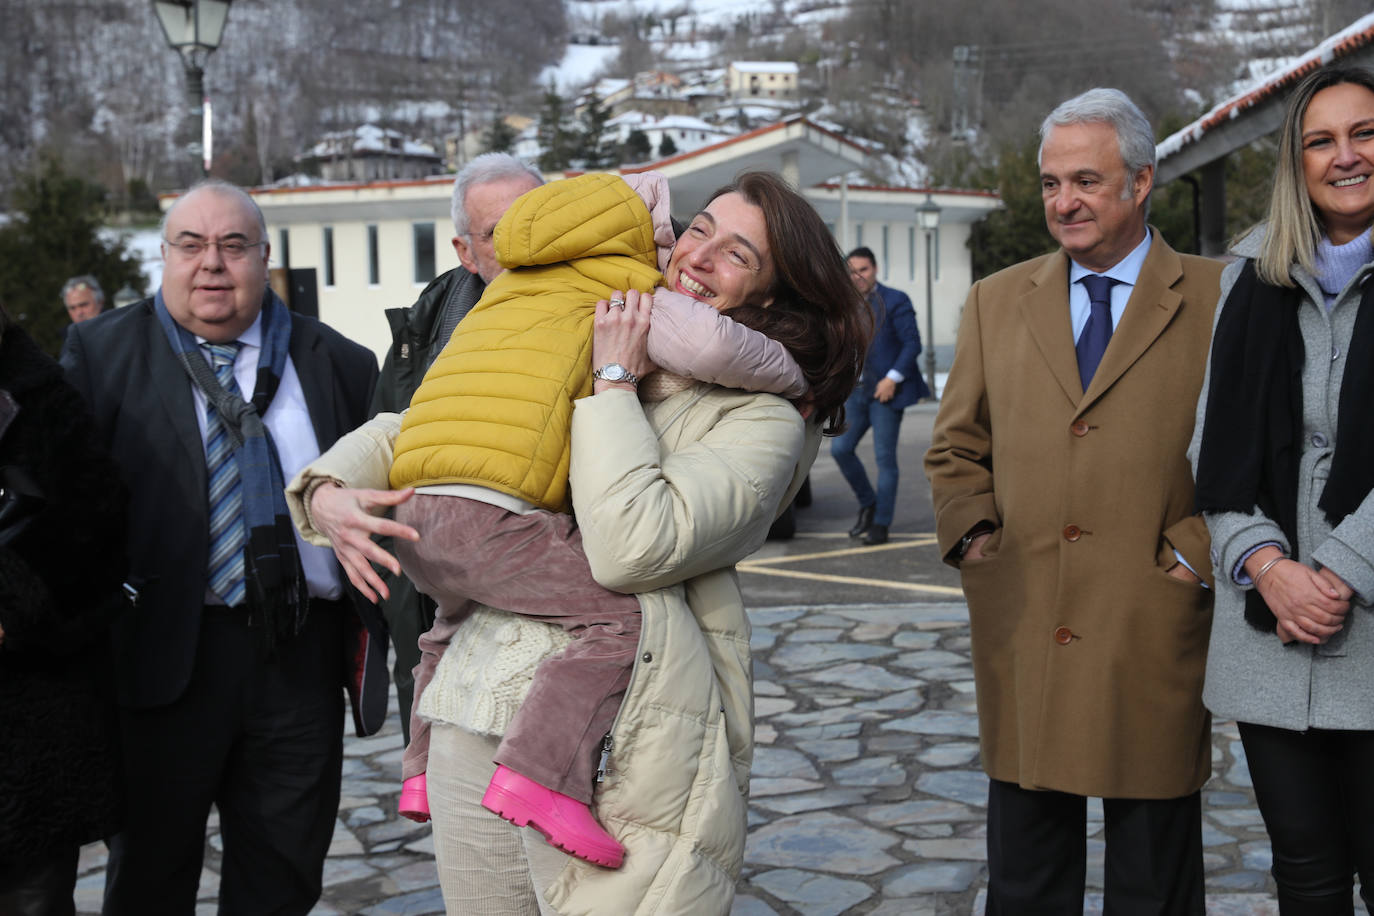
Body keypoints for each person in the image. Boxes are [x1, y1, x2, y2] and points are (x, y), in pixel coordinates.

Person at [290, 170, 871, 913]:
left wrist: (615, 382)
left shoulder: (761, 417)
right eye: (699, 229)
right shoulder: (593, 320)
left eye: (739, 255)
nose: (700, 255)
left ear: (774, 295)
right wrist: (328, 490)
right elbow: (429, 425)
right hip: (471, 710)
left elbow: (631, 546)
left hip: (615, 747)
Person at [925, 88, 1222, 914]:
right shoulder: (996, 298)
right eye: (1052, 184)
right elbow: (955, 446)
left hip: (1149, 616)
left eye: (1086, 181)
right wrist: (976, 536)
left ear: (1142, 182)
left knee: (1153, 879)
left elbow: (1247, 452)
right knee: (1024, 876)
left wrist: (1195, 555)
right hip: (1025, 613)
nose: (1064, 202)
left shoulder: (1221, 297)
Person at [60, 178, 384, 916]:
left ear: (264, 258)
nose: (212, 263)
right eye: (192, 245)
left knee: (283, 874)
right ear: (164, 258)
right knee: (148, 874)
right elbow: (67, 512)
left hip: (297, 658)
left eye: (234, 246)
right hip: (160, 655)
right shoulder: (101, 354)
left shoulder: (338, 360)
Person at [1191, 64, 1374, 914]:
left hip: (1363, 619)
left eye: (1364, 133)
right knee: (1303, 874)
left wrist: (1340, 568)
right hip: (1272, 635)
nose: (1346, 156)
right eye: (1321, 140)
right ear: (1296, 164)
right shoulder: (1250, 273)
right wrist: (1264, 564)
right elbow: (1212, 444)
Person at [371, 152, 543, 744]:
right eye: (500, 232)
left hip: (552, 613)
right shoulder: (419, 336)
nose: (528, 239)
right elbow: (384, 456)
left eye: (538, 216)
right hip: (438, 616)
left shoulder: (607, 307)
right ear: (466, 252)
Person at [0, 303, 128, 916]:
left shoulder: (43, 395)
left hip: (26, 718)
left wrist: (14, 607)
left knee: (32, 894)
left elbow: (94, 519)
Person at [830, 245, 928, 545]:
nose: (857, 276)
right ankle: (869, 503)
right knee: (840, 449)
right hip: (856, 392)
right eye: (851, 271)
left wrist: (892, 379)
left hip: (887, 392)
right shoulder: (843, 303)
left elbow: (912, 344)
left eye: (863, 270)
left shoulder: (896, 300)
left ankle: (881, 524)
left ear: (875, 270)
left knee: (885, 460)